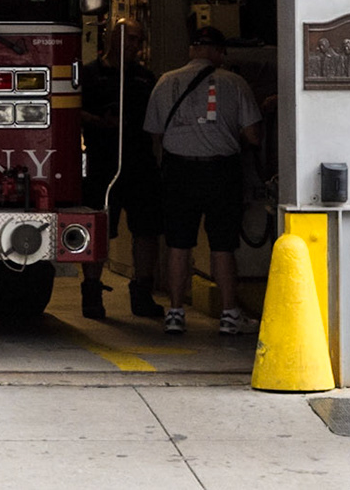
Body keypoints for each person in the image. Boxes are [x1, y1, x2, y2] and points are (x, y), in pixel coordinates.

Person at [143, 26, 262, 336]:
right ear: (220, 53)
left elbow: (156, 134)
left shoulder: (165, 82)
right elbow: (253, 135)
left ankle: (175, 313)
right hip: (221, 172)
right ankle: (228, 315)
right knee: (223, 246)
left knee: (178, 245)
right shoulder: (235, 83)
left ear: (192, 50)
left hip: (178, 171)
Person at [78, 19, 164, 319]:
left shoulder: (144, 77)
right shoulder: (90, 74)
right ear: (114, 39)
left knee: (146, 229)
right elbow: (74, 112)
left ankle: (142, 292)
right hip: (103, 160)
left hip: (139, 160)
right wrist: (99, 122)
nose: (136, 46)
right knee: (98, 227)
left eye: (139, 41)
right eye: (131, 39)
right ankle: (91, 290)